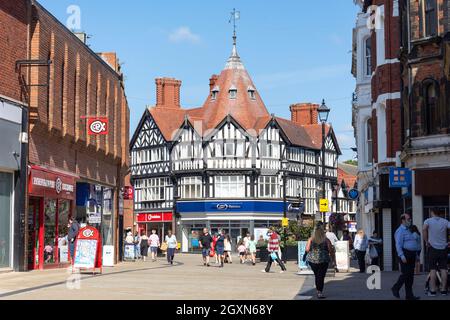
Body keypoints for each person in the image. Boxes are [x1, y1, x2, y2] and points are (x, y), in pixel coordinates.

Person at [392, 213, 420, 300]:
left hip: (411, 255)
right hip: (405, 254)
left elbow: (412, 242)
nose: (410, 220)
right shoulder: (400, 231)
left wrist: (416, 255)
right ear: (403, 220)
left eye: (410, 219)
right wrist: (401, 255)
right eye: (408, 219)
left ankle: (409, 295)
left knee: (410, 276)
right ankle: (395, 288)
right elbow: (398, 244)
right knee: (406, 274)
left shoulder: (408, 229)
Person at [423, 209, 450, 296]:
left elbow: (424, 229)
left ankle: (433, 290)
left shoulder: (428, 221)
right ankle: (443, 290)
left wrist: (426, 242)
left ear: (432, 212)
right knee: (443, 269)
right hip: (443, 248)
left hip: (432, 248)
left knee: (433, 269)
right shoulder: (445, 221)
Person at [306, 226, 335, 299]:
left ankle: (318, 290)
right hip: (324, 260)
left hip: (312, 260)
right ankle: (319, 292)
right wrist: (333, 260)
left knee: (317, 275)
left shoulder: (311, 239)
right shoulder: (326, 240)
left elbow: (307, 249)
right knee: (321, 276)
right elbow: (331, 250)